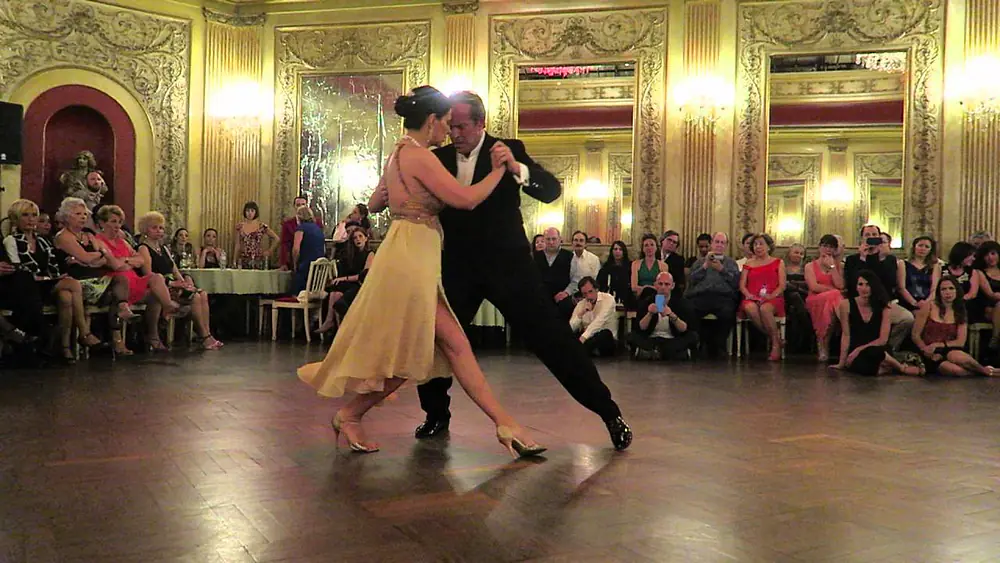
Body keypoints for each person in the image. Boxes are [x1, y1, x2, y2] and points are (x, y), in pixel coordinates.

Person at [298, 86, 545, 458]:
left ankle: (350, 415)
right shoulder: (421, 157)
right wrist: (499, 171)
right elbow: (466, 200)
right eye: (446, 123)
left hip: (406, 249)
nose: (448, 131)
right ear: (431, 121)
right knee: (449, 346)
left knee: (423, 351)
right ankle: (505, 425)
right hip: (413, 254)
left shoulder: (397, 156)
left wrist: (400, 196)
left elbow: (378, 201)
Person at [414, 90, 631, 451]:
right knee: (435, 341)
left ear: (481, 123)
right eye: (451, 126)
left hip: (509, 267)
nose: (456, 133)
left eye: (462, 126)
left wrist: (517, 168)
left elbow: (550, 191)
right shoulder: (437, 158)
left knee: (552, 340)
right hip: (458, 268)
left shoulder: (507, 147)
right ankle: (436, 413)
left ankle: (609, 412)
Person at [136, 212, 223, 351]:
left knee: (202, 294)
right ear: (146, 229)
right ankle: (204, 337)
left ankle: (207, 334)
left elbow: (174, 269)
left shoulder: (163, 248)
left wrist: (184, 283)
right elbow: (148, 275)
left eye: (161, 228)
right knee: (194, 298)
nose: (159, 231)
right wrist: (172, 283)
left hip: (172, 284)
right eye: (155, 227)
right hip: (158, 286)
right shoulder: (143, 248)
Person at [833, 270, 922, 376]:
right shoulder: (846, 305)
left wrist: (859, 349)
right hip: (856, 349)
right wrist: (841, 363)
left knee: (875, 353)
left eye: (868, 284)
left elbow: (883, 339)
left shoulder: (884, 306)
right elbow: (846, 335)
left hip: (877, 347)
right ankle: (885, 368)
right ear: (856, 287)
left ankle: (900, 368)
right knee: (856, 366)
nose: (864, 288)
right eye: (860, 284)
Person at [843, 224, 913, 351]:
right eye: (867, 235)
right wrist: (863, 259)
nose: (871, 238)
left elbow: (889, 283)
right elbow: (853, 283)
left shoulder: (889, 259)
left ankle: (889, 348)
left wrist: (881, 258)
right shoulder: (852, 260)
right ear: (862, 238)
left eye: (874, 235)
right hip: (860, 302)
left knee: (907, 318)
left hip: (883, 301)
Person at [912, 276, 996, 376]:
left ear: (957, 290)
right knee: (955, 370)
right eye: (943, 289)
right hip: (929, 351)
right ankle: (988, 372)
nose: (948, 292)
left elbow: (960, 341)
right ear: (939, 292)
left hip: (950, 348)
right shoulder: (929, 306)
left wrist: (939, 344)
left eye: (951, 288)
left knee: (956, 356)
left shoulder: (960, 310)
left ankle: (984, 371)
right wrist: (925, 349)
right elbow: (915, 335)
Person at [685, 231, 741, 357]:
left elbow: (736, 282)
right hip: (701, 296)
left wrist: (722, 269)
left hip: (723, 297)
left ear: (726, 245)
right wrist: (705, 266)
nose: (719, 245)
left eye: (722, 243)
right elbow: (692, 280)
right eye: (717, 242)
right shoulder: (699, 262)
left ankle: (718, 346)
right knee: (690, 310)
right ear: (711, 243)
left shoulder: (731, 263)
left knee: (727, 313)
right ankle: (697, 343)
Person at [629, 272, 698, 360]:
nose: (663, 287)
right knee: (631, 336)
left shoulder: (681, 302)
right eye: (660, 284)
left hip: (672, 339)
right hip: (652, 339)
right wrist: (649, 314)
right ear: (655, 285)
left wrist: (671, 315)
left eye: (667, 284)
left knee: (693, 336)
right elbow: (641, 327)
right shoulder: (647, 301)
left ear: (672, 286)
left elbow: (684, 329)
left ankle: (654, 353)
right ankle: (667, 353)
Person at [739, 233, 786, 361]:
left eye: (761, 244)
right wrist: (749, 295)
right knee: (750, 308)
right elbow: (742, 286)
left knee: (765, 309)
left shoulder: (778, 262)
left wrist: (771, 295)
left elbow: (782, 285)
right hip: (752, 297)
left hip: (773, 297)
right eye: (755, 244)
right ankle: (775, 339)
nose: (758, 247)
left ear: (769, 247)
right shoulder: (748, 263)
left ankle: (775, 345)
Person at [805, 234, 844, 361]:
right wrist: (833, 291)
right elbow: (814, 287)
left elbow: (840, 285)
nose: (828, 250)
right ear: (819, 247)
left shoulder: (839, 266)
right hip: (815, 299)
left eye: (831, 247)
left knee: (832, 305)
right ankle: (845, 322)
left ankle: (822, 343)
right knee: (835, 295)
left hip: (832, 303)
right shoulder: (810, 266)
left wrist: (832, 267)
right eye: (825, 246)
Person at [569, 276, 618, 357]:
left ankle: (578, 350)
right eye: (585, 294)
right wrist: (581, 313)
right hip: (587, 339)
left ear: (597, 289)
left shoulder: (608, 299)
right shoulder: (581, 304)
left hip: (604, 340)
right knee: (572, 336)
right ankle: (580, 350)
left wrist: (583, 338)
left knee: (604, 334)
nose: (588, 296)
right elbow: (571, 327)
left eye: (590, 292)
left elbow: (599, 321)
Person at [280, 194, 325, 271]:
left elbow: (296, 249)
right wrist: (283, 262)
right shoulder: (288, 224)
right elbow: (284, 244)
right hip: (298, 261)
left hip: (308, 263)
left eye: (303, 204)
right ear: (294, 207)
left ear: (307, 206)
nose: (301, 207)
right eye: (298, 205)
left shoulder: (316, 223)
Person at [898, 236, 941, 312]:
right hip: (907, 302)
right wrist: (914, 303)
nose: (923, 249)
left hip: (928, 302)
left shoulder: (934, 266)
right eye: (920, 245)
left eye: (927, 247)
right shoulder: (902, 264)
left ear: (930, 250)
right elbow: (901, 288)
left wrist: (926, 303)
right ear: (914, 247)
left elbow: (934, 289)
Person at [290, 206, 326, 294]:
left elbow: (296, 249)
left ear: (299, 217)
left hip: (305, 269)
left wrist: (294, 264)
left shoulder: (301, 229)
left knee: (291, 288)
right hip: (318, 272)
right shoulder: (318, 229)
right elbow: (324, 250)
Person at [234, 201, 278, 269]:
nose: (250, 213)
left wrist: (269, 251)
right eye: (248, 211)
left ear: (255, 212)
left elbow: (276, 238)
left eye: (252, 211)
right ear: (245, 212)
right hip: (244, 259)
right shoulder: (240, 227)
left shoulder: (262, 226)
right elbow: (237, 245)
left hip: (258, 259)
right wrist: (234, 261)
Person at [631, 233, 667, 303]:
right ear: (643, 249)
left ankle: (660, 311)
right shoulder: (635, 264)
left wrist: (646, 287)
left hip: (658, 296)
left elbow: (663, 287)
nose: (649, 248)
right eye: (646, 245)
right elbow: (634, 287)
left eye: (652, 245)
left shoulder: (663, 265)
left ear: (656, 247)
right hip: (640, 296)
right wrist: (645, 289)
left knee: (660, 299)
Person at [597, 240, 632, 309]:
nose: (617, 252)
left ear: (624, 252)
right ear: (612, 251)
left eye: (620, 249)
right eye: (615, 249)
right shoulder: (606, 268)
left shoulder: (630, 267)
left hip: (625, 298)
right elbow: (600, 284)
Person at [658, 230, 686, 299]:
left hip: (670, 292)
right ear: (662, 240)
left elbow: (679, 281)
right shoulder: (653, 255)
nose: (671, 243)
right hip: (653, 288)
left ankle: (660, 308)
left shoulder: (679, 260)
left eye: (674, 242)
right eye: (669, 240)